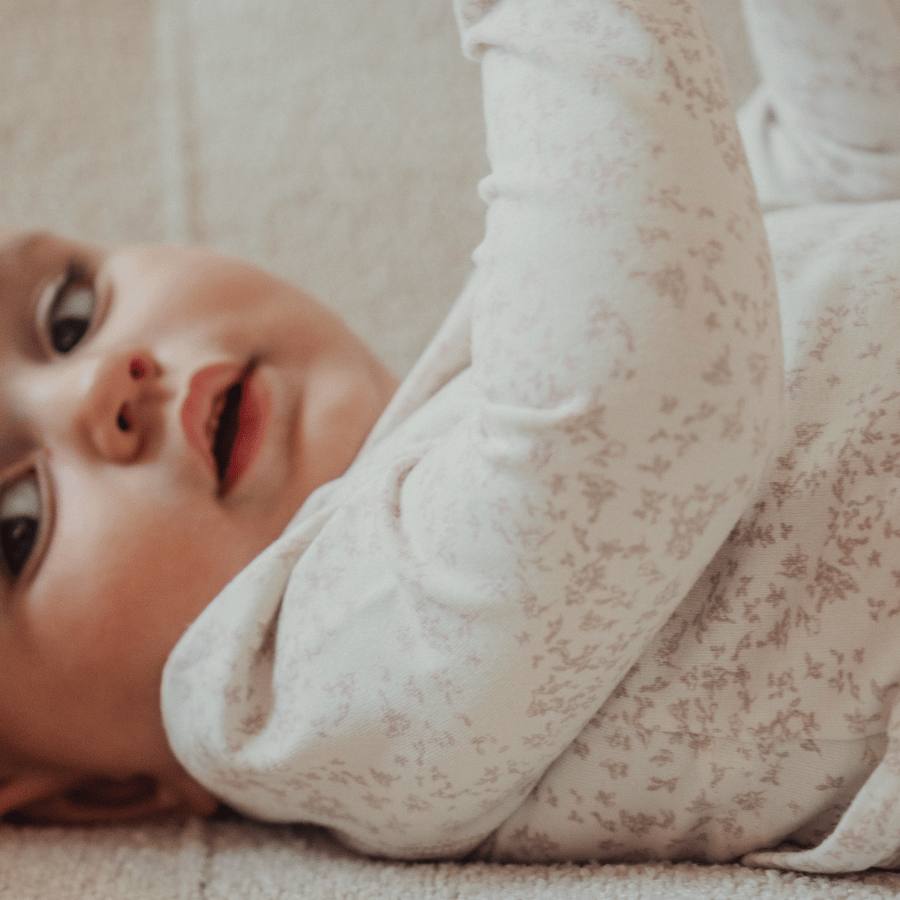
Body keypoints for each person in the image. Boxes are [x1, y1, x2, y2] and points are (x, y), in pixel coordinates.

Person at [1, 0, 900, 875]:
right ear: (99, 793)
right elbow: (628, 409)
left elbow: (850, 159)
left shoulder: (512, 341)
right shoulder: (277, 696)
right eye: (17, 524)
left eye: (67, 314)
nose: (98, 384)